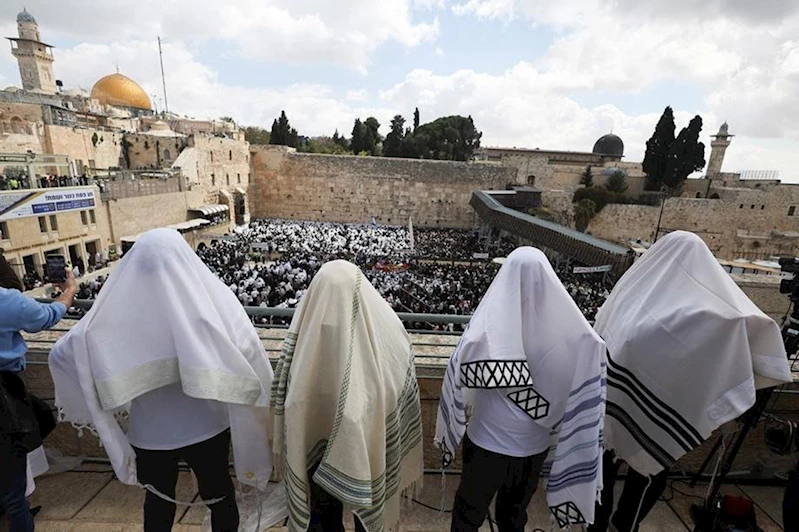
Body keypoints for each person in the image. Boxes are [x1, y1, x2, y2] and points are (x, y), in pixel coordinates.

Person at [49, 229, 274, 532]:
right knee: (219, 494)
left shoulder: (117, 317)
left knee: (158, 502)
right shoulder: (209, 306)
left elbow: (63, 354)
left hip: (151, 433)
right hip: (207, 426)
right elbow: (248, 347)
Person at [589, 231, 793, 532]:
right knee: (646, 475)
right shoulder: (693, 313)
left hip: (609, 404)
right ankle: (624, 526)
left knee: (606, 472)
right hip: (652, 411)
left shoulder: (632, 292)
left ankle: (601, 525)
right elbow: (731, 323)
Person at [435, 247, 607, 531]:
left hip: (486, 444)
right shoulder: (570, 338)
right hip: (533, 449)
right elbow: (588, 358)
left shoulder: (486, 330)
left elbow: (462, 364)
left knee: (468, 514)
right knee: (514, 516)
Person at [270, 260, 423, 532]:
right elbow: (397, 379)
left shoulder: (302, 340)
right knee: (331, 509)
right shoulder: (390, 334)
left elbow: (292, 399)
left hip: (326, 452)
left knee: (321, 512)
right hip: (365, 446)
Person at [1, 254, 75, 532]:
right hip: (4, 395)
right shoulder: (5, 300)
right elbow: (46, 316)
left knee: (41, 418)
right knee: (13, 491)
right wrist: (68, 292)